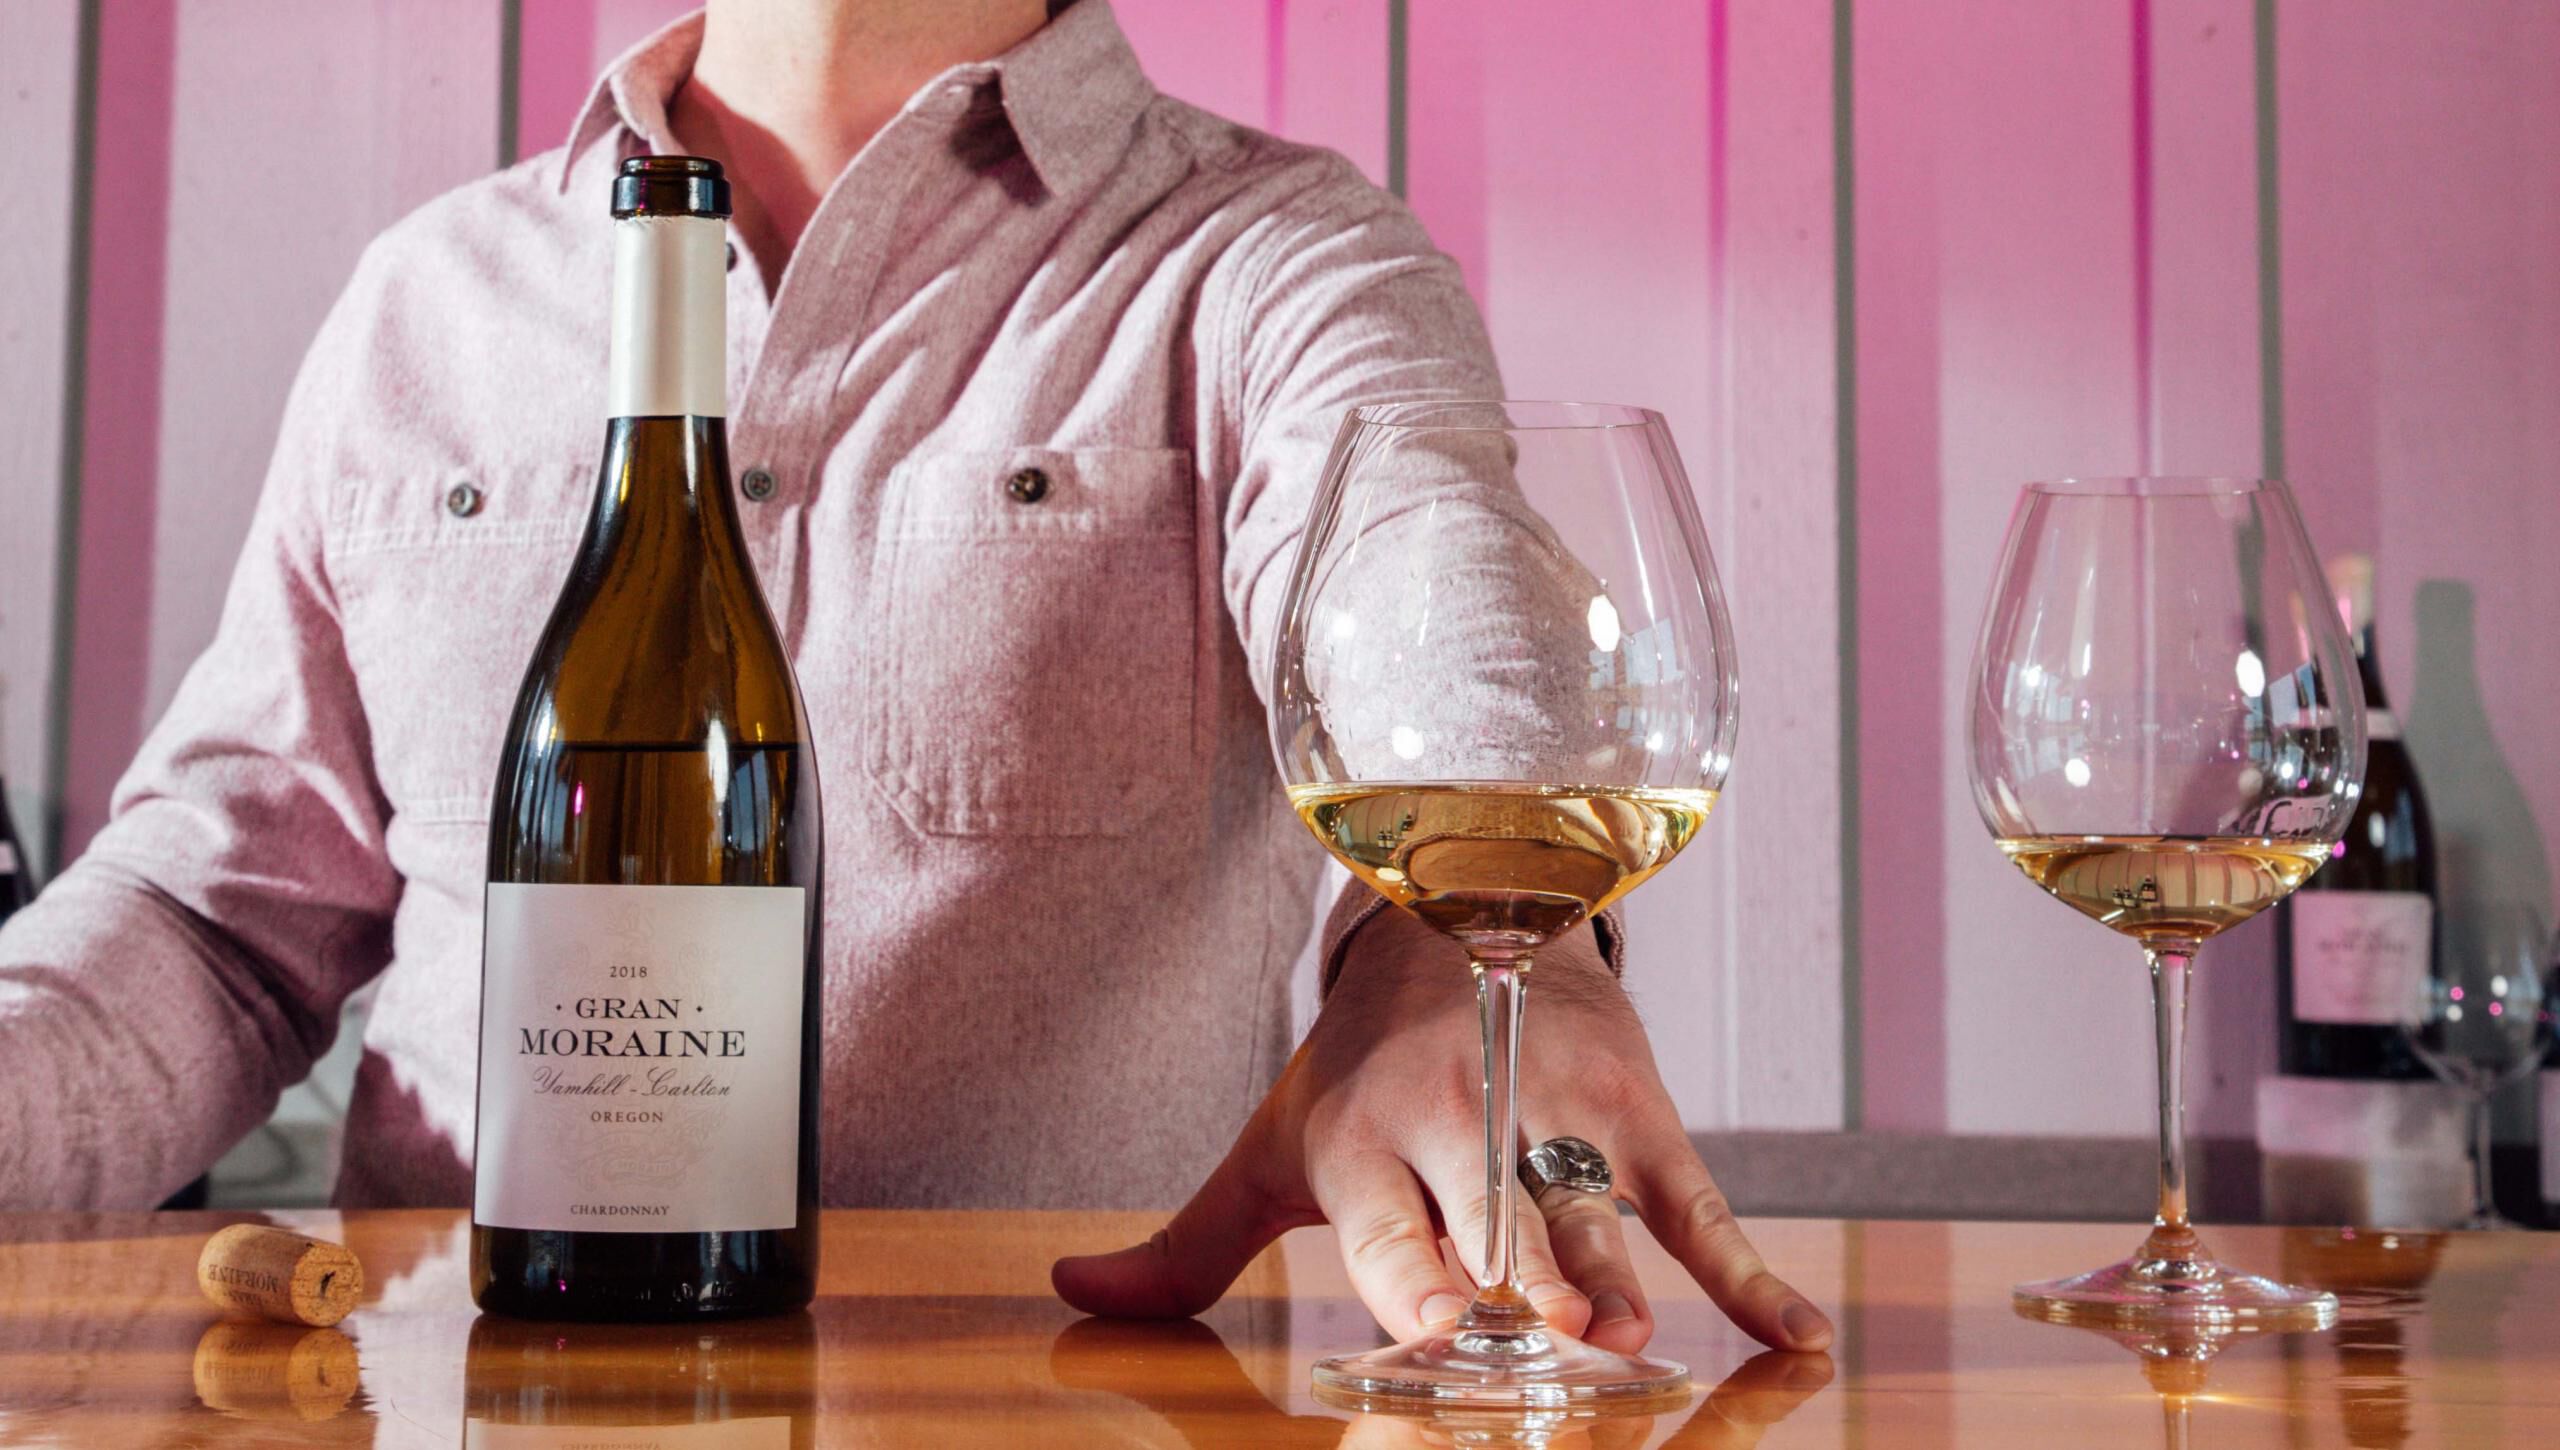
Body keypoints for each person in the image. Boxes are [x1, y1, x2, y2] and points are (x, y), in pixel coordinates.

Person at [0, 0, 1831, 1355]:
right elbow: (214, 918)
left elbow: (1445, 605)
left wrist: (1474, 942)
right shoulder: (424, 304)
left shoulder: (1279, 266)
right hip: (448, 1394)